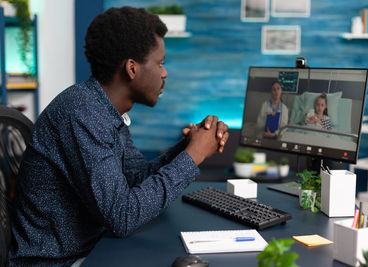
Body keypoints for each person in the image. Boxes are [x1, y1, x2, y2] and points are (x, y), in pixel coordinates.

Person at [7, 7, 229, 266]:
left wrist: (187, 147)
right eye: (160, 63)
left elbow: (134, 179)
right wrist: (194, 156)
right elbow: (123, 216)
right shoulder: (82, 113)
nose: (164, 73)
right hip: (58, 262)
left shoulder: (103, 110)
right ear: (132, 68)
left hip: (90, 249)